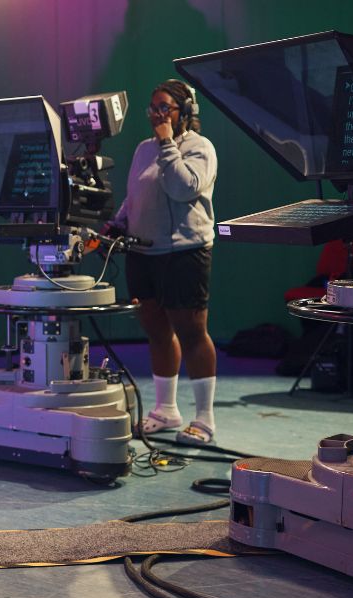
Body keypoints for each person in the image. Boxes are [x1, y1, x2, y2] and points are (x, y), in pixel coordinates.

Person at [112, 79, 220, 446]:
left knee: (191, 333)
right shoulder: (144, 149)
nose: (157, 115)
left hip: (183, 252)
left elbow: (183, 187)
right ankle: (166, 410)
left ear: (185, 111)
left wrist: (166, 143)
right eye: (153, 108)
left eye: (165, 108)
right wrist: (117, 223)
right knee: (157, 331)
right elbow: (135, 195)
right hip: (142, 252)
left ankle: (204, 419)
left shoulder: (199, 148)